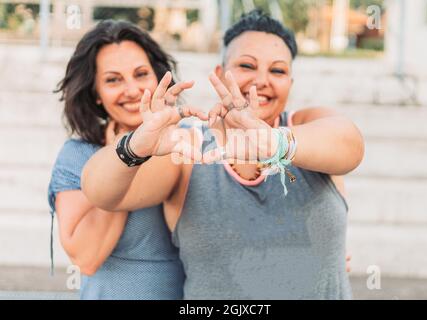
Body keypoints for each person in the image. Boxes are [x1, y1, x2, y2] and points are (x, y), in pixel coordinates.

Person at [82, 10, 364, 299]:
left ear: (290, 83)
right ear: (219, 74)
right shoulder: (188, 150)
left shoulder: (306, 126)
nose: (261, 80)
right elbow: (99, 191)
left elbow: (350, 144)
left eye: (277, 71)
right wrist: (136, 145)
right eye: (246, 65)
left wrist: (273, 143)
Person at [48, 20, 206, 299]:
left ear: (158, 78)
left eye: (141, 74)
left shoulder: (187, 143)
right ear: (96, 93)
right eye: (113, 80)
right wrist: (125, 155)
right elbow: (86, 257)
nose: (132, 90)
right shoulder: (77, 156)